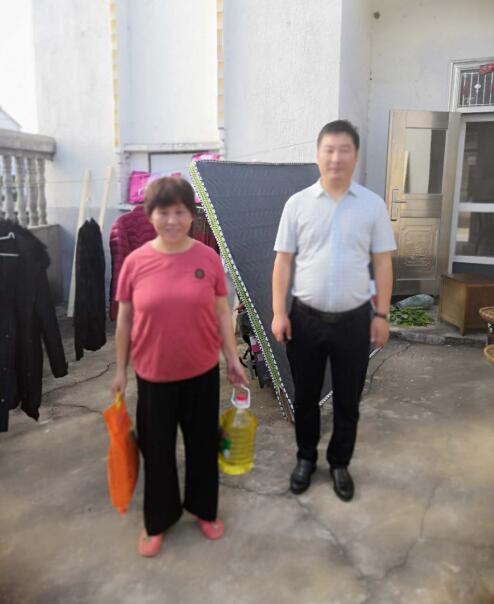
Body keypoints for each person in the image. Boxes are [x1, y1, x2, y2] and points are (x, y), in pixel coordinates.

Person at [112, 176, 247, 557]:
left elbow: (222, 313)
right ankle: (158, 519)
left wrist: (232, 358)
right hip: (153, 375)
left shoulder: (208, 258)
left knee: (203, 446)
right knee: (156, 450)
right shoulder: (136, 263)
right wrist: (120, 370)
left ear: (192, 214)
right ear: (150, 215)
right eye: (163, 212)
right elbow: (124, 320)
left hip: (201, 372)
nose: (172, 220)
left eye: (180, 212)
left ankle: (204, 509)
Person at [271, 120, 396, 502]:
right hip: (305, 319)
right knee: (306, 397)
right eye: (329, 149)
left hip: (354, 322)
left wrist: (382, 315)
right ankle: (306, 458)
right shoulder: (297, 205)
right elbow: (283, 262)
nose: (336, 158)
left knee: (347, 398)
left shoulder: (372, 205)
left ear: (355, 156)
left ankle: (340, 463)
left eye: (344, 150)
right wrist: (279, 312)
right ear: (318, 155)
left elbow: (383, 263)